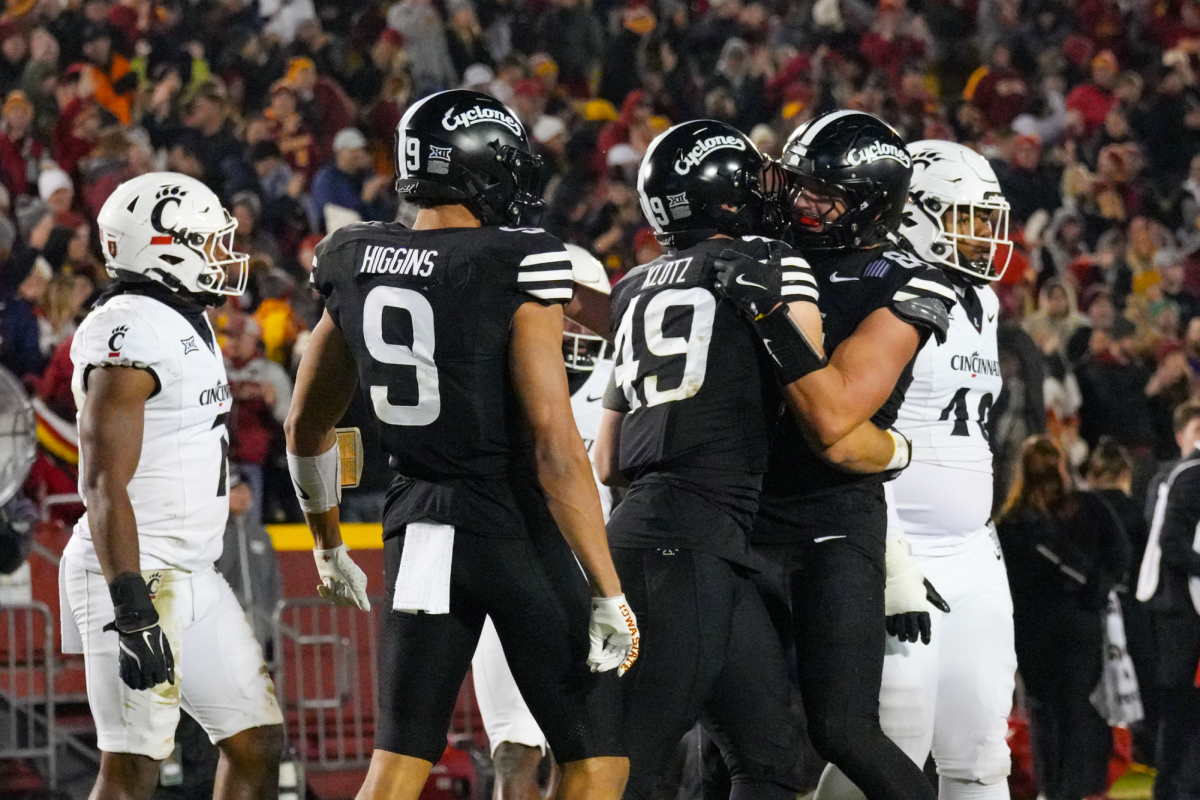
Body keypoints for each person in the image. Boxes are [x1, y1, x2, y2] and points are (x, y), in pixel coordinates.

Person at [283, 89, 637, 800]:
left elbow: (304, 426)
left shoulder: (355, 256)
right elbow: (553, 443)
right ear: (479, 166)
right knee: (598, 757)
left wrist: (327, 543)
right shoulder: (517, 259)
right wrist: (608, 587)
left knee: (398, 761)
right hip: (507, 524)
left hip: (416, 528)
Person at [593, 119, 894, 800]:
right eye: (756, 179)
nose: (774, 191)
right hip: (694, 539)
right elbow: (819, 405)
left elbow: (609, 455)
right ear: (728, 196)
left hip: (656, 533)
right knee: (633, 763)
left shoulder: (634, 285)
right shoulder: (768, 262)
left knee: (768, 756)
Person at [723, 110, 956, 800]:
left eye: (826, 194)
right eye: (799, 186)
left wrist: (767, 313)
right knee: (733, 741)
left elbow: (836, 417)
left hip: (832, 518)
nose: (804, 202)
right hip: (741, 514)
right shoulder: (753, 251)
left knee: (842, 727)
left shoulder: (903, 280)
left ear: (873, 205)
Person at [59, 172, 283, 800]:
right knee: (133, 765)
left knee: (257, 744)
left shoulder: (185, 318)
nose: (221, 256)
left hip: (193, 569)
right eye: (208, 242)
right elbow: (102, 482)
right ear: (164, 245)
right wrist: (131, 608)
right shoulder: (130, 328)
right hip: (137, 570)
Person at [814, 140, 1017, 800]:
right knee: (885, 753)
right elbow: (843, 427)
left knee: (983, 756)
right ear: (917, 214)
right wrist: (887, 550)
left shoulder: (985, 305)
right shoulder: (887, 289)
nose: (984, 236)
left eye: (988, 220)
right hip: (897, 546)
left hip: (971, 550)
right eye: (968, 217)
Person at [469, 244, 614, 800]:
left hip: (595, 581)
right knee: (514, 750)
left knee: (591, 752)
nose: (568, 328)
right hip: (513, 568)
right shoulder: (492, 377)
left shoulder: (622, 380)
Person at [999, 435, 1131, 800]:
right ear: (1062, 464)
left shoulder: (1012, 522)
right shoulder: (1089, 507)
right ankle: (1077, 789)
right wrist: (1097, 587)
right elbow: (1120, 557)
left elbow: (1003, 581)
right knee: (1078, 710)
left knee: (1043, 712)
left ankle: (1050, 789)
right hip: (1080, 625)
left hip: (1032, 629)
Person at [1136, 401, 1200, 799]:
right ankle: (1174, 787)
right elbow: (1172, 543)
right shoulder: (1191, 476)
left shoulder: (1171, 474)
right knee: (1181, 705)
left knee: (1181, 706)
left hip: (1173, 605)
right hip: (1180, 609)